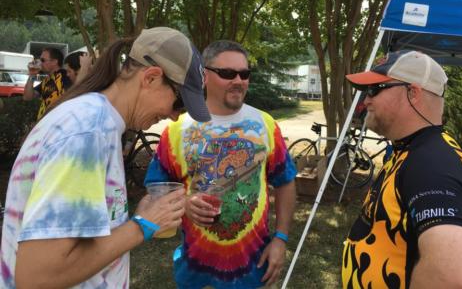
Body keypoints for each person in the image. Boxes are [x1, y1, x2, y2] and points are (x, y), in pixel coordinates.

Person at [0, 27, 211, 288]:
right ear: (152, 78)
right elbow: (37, 277)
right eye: (178, 104)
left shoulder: (97, 122)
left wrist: (140, 217)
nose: (174, 116)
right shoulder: (87, 132)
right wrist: (143, 225)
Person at [145, 40, 297, 288]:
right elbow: (156, 188)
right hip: (195, 270)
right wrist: (184, 203)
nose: (238, 80)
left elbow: (286, 182)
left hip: (253, 269)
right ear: (204, 75)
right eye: (227, 73)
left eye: (244, 73)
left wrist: (280, 238)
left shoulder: (266, 125)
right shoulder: (176, 130)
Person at [342, 50, 462, 289]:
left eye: (375, 89)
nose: (366, 100)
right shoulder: (413, 150)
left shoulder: (431, 163)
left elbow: (450, 275)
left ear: (412, 92)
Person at [23, 47, 72, 120]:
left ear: (54, 62)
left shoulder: (65, 76)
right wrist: (32, 75)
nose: (40, 63)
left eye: (43, 60)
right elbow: (27, 97)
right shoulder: (46, 81)